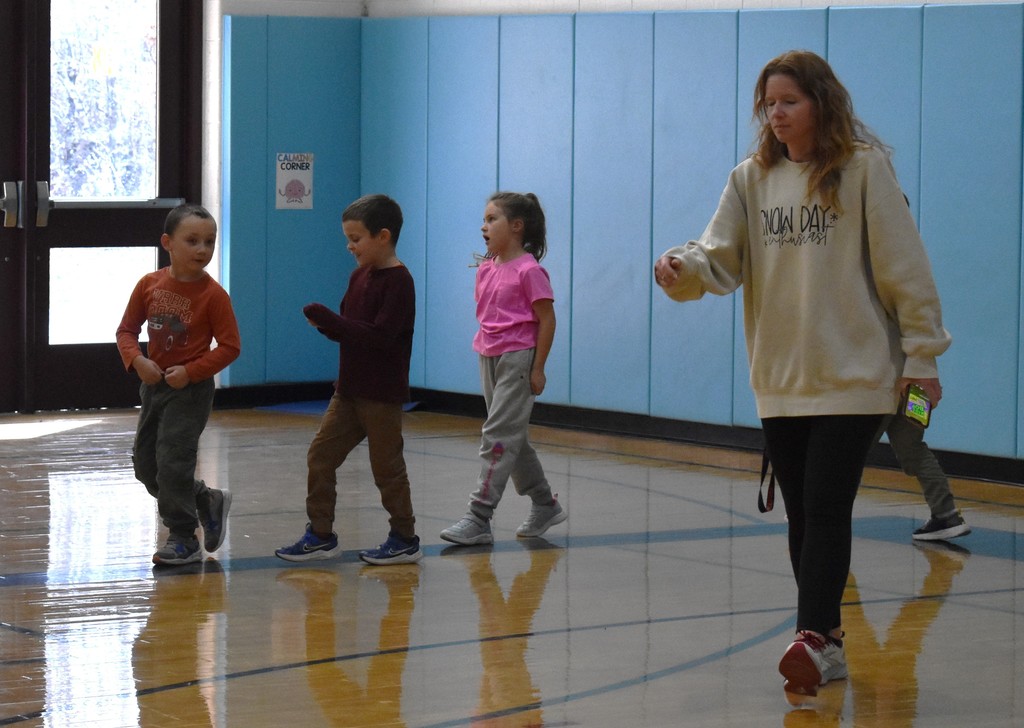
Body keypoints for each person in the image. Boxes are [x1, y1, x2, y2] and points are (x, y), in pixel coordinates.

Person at [654, 50, 951, 695]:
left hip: (856, 375)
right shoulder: (750, 180)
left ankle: (812, 635)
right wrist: (682, 268)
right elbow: (717, 258)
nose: (777, 114)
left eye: (790, 101)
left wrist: (922, 356)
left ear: (821, 102)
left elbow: (906, 269)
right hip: (781, 379)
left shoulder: (863, 170)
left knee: (825, 504)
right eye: (769, 104)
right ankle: (828, 642)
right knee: (801, 514)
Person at [275, 194, 420, 565]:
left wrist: (332, 321)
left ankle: (404, 537)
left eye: (356, 238)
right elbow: (348, 330)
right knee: (321, 456)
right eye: (348, 238)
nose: (350, 246)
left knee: (386, 468)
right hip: (348, 391)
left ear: (383, 236)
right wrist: (327, 326)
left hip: (381, 395)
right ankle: (320, 534)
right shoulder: (358, 276)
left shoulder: (399, 282)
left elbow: (380, 337)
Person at [116, 203, 241, 566]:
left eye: (209, 241)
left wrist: (191, 372)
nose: (202, 249)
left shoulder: (214, 296)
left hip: (190, 392)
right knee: (146, 466)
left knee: (173, 463)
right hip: (154, 387)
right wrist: (138, 361)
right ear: (168, 242)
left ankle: (184, 536)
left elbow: (230, 346)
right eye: (192, 241)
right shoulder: (149, 284)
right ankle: (205, 499)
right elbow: (126, 331)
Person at [440, 192, 566, 546]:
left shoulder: (530, 270)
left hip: (518, 359)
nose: (484, 226)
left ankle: (478, 516)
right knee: (512, 437)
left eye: (492, 219)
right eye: (484, 219)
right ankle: (545, 503)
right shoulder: (485, 267)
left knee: (497, 435)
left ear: (516, 226)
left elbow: (547, 320)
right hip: (488, 354)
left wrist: (538, 368)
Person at [879, 415, 970, 540]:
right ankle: (946, 514)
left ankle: (945, 515)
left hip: (873, 403)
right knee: (915, 451)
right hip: (913, 401)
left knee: (855, 448)